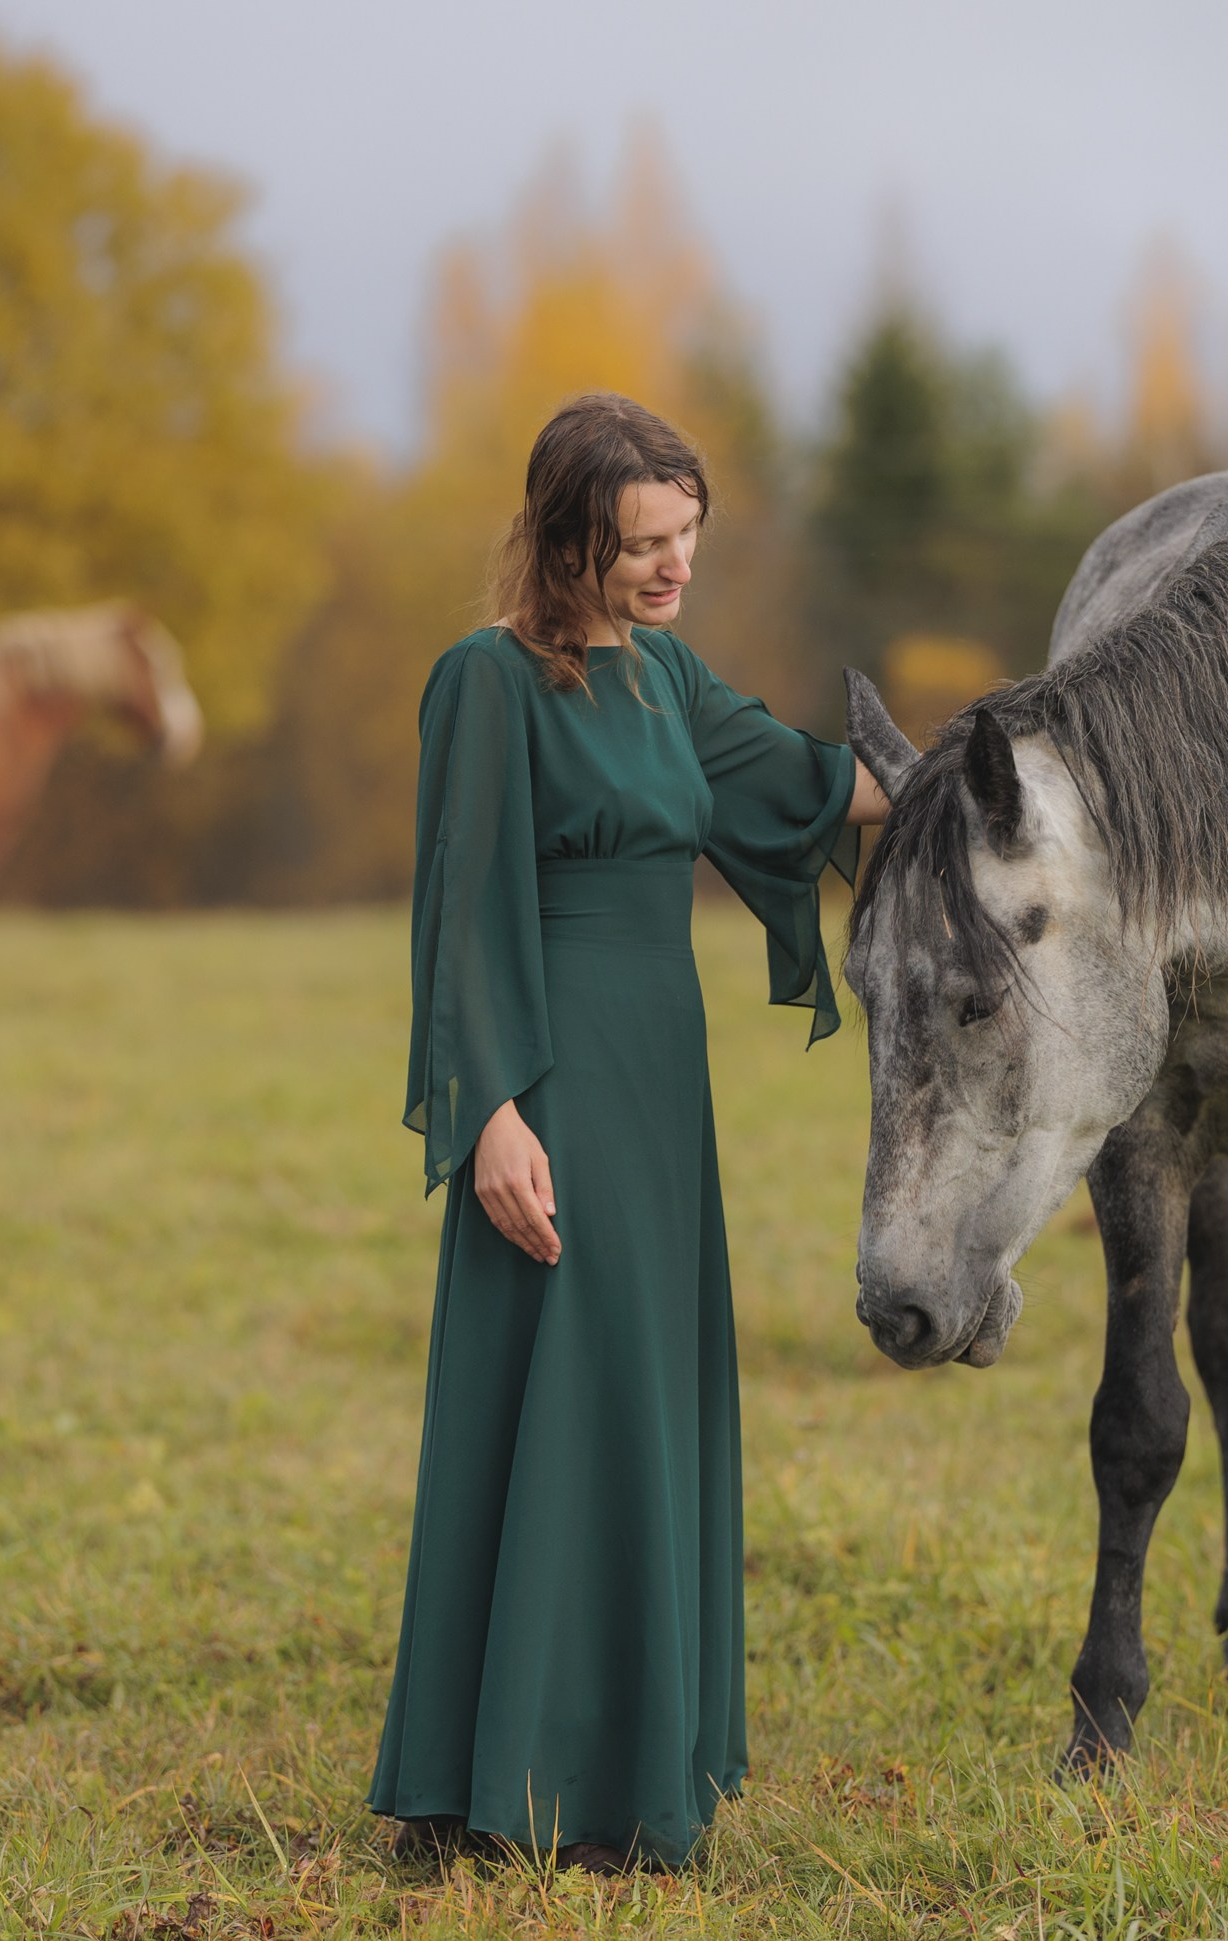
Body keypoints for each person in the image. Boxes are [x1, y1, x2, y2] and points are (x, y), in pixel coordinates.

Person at [367, 392, 889, 1872]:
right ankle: (492, 1783)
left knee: (644, 1402)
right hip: (554, 1076)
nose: (671, 568)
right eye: (641, 544)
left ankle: (621, 1779)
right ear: (564, 537)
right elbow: (460, 907)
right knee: (550, 1398)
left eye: (686, 538)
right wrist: (494, 1115)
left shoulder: (669, 684)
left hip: (664, 1089)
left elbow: (806, 785)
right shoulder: (488, 681)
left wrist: (994, 767)